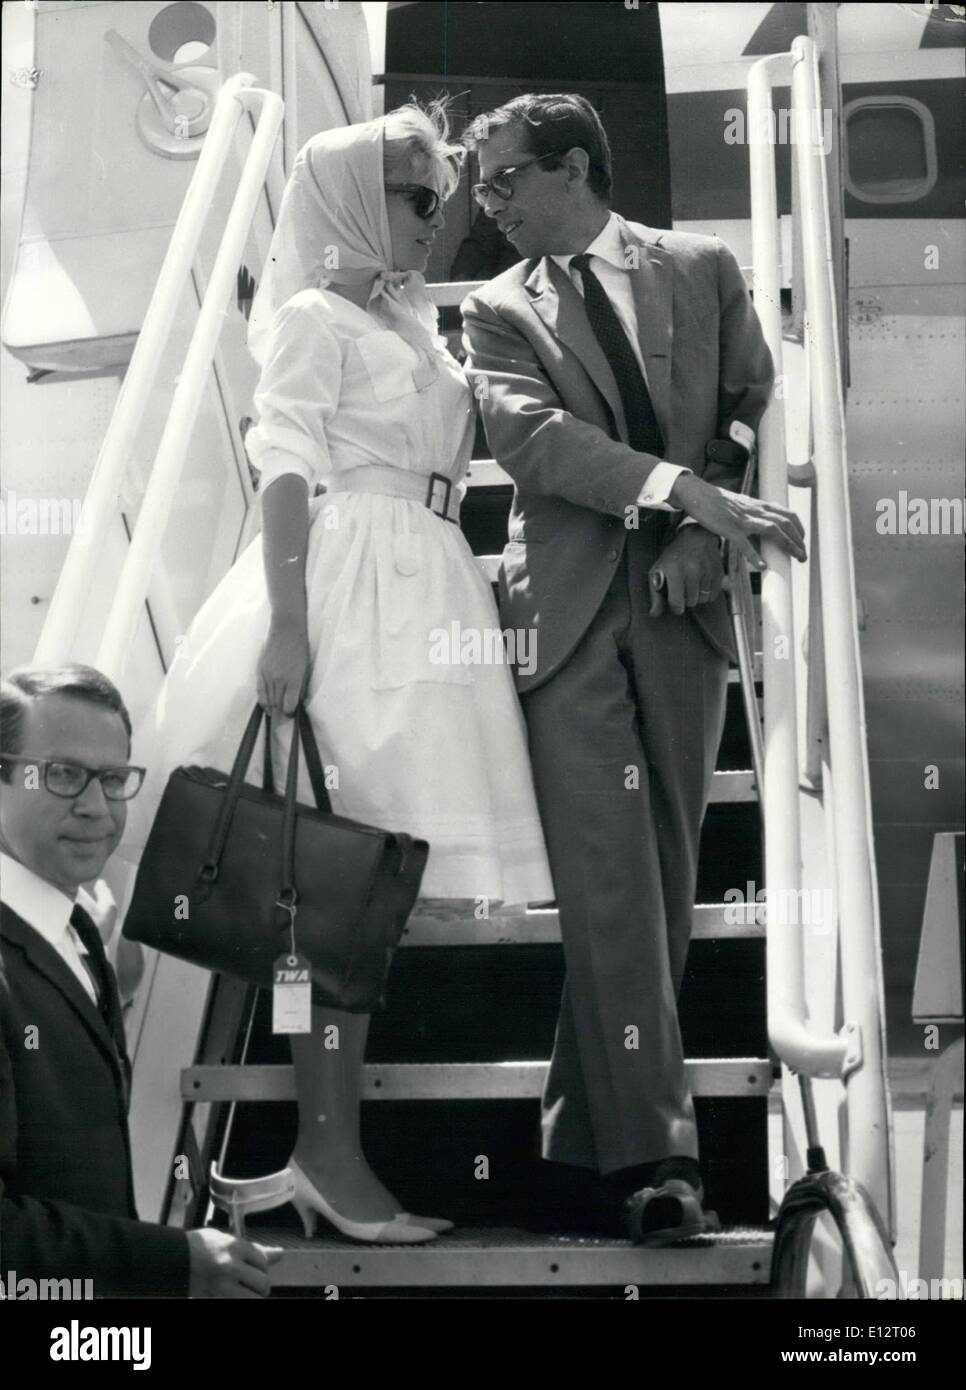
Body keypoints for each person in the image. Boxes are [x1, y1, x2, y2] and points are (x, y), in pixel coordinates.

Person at [123, 104, 555, 1244]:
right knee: (333, 885)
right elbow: (282, 469)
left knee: (363, 884)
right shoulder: (316, 316)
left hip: (426, 579)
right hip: (355, 582)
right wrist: (288, 624)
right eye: (419, 195)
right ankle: (322, 1143)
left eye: (439, 194)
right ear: (362, 199)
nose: (439, 213)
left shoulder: (411, 317)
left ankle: (323, 1146)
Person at [460, 94, 807, 1243]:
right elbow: (535, 443)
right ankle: (660, 1163)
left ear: (573, 168)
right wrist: (682, 495)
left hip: (687, 608)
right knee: (614, 877)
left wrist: (709, 530)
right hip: (567, 614)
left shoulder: (702, 267)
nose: (486, 204)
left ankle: (579, 1135)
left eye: (504, 179)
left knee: (656, 877)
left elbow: (752, 398)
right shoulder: (499, 311)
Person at [0, 664, 283, 1296]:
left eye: (113, 779)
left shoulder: (74, 935)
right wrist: (171, 1262)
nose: (97, 808)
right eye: (64, 775)